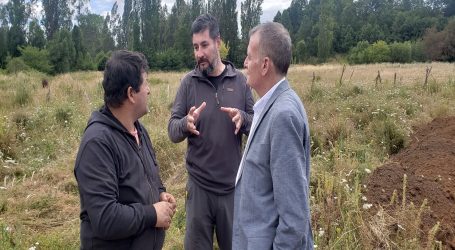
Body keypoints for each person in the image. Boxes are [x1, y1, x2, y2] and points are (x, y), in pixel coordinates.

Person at [74, 50, 176, 250]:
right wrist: (152, 214)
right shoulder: (97, 144)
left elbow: (147, 176)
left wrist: (160, 193)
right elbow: (105, 218)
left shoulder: (139, 130)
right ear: (131, 94)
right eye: (146, 83)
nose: (149, 90)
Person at [168, 14, 254, 250]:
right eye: (195, 47)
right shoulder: (189, 83)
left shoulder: (240, 82)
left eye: (204, 45)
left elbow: (257, 125)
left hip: (231, 189)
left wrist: (243, 118)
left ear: (218, 42)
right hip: (199, 189)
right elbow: (172, 130)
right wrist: (185, 123)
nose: (199, 54)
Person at [232, 22, 314, 249]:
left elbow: (294, 217)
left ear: (265, 64)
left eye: (249, 57)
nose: (245, 63)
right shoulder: (271, 105)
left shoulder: (282, 115)